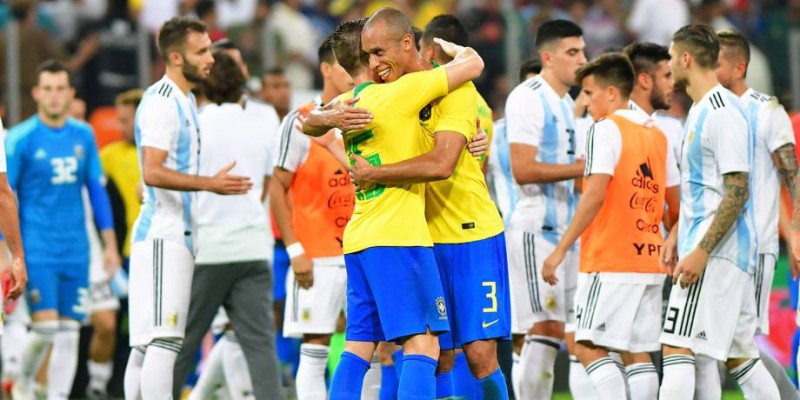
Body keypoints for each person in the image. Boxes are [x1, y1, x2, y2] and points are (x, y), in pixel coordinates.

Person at [302, 16, 485, 400]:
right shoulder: (400, 93)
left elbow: (309, 123)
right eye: (374, 52)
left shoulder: (349, 104)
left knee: (358, 347)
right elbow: (474, 65)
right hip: (399, 237)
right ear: (369, 59)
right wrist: (452, 49)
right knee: (425, 345)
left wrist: (326, 120)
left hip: (359, 238)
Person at [350, 11, 509, 398]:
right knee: (434, 354)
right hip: (420, 238)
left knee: (479, 355)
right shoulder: (387, 94)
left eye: (378, 53)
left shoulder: (457, 88)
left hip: (472, 234)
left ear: (411, 45)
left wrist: (376, 173)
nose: (373, 65)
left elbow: (442, 164)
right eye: (367, 56)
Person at [123, 17, 253, 400]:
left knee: (148, 345)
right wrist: (210, 183)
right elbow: (153, 171)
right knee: (164, 341)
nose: (211, 58)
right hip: (164, 234)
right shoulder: (164, 104)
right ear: (176, 57)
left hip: (170, 234)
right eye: (201, 52)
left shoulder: (182, 100)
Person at [541, 52, 680, 400]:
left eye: (589, 93)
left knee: (585, 344)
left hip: (610, 258)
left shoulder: (604, 129)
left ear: (612, 93)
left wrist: (560, 249)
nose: (585, 102)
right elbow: (674, 205)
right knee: (636, 352)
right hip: (649, 260)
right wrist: (673, 241)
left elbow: (594, 194)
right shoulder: (658, 136)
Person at [658, 24, 779, 399]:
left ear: (686, 58)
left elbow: (737, 190)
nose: (669, 65)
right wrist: (678, 234)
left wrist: (701, 251)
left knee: (676, 346)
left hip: (717, 255)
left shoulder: (722, 111)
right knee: (740, 357)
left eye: (671, 56)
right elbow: (704, 188)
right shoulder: (700, 109)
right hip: (720, 251)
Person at [4, 59, 120, 400]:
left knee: (69, 332)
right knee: (46, 329)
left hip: (77, 250)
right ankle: (22, 380)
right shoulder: (21, 138)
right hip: (37, 248)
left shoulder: (83, 134)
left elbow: (96, 190)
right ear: (37, 92)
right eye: (48, 89)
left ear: (70, 94)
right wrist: (7, 251)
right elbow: (5, 197)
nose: (54, 96)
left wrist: (110, 243)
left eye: (61, 89)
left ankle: (56, 397)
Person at [170, 48, 281, 400]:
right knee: (260, 346)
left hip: (208, 250)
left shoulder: (194, 124)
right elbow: (268, 185)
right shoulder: (263, 124)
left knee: (183, 342)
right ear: (242, 83)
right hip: (252, 247)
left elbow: (178, 183)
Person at [270, 35, 361, 400]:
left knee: (375, 344)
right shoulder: (301, 121)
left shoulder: (366, 113)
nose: (354, 73)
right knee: (315, 345)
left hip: (362, 249)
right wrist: (294, 248)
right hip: (317, 255)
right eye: (345, 66)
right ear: (325, 69)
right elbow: (277, 187)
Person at [715, 28, 800, 400]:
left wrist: (792, 231)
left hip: (752, 246)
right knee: (731, 345)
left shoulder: (764, 112)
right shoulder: (714, 111)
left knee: (732, 346)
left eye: (713, 61)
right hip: (728, 244)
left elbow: (786, 175)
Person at [504, 19, 588, 400]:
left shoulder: (568, 105)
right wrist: (583, 167)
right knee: (544, 328)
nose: (582, 60)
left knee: (574, 331)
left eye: (583, 51)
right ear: (548, 57)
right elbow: (522, 169)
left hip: (568, 235)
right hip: (535, 230)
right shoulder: (527, 96)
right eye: (573, 53)